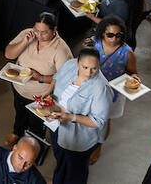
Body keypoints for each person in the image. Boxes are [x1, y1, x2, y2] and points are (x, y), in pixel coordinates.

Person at [44, 48, 113, 184]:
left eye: (94, 68)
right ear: (77, 62)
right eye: (85, 67)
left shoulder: (101, 88)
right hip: (56, 125)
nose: (88, 73)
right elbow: (57, 77)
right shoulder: (70, 65)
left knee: (75, 172)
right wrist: (47, 91)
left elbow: (98, 122)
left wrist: (70, 117)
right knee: (60, 160)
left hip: (78, 137)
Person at [3, 12, 72, 144]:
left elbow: (65, 80)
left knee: (37, 125)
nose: (39, 36)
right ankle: (17, 131)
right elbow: (9, 54)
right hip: (19, 88)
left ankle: (35, 146)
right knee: (20, 113)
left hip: (41, 96)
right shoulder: (28, 34)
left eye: (44, 32)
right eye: (37, 30)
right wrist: (24, 42)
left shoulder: (61, 50)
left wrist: (40, 78)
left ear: (54, 30)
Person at [87, 17, 138, 157]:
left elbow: (132, 72)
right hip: (91, 88)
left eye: (118, 35)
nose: (114, 39)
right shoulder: (93, 44)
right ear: (103, 33)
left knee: (104, 120)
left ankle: (98, 145)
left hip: (112, 92)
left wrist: (133, 78)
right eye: (110, 34)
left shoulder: (127, 52)